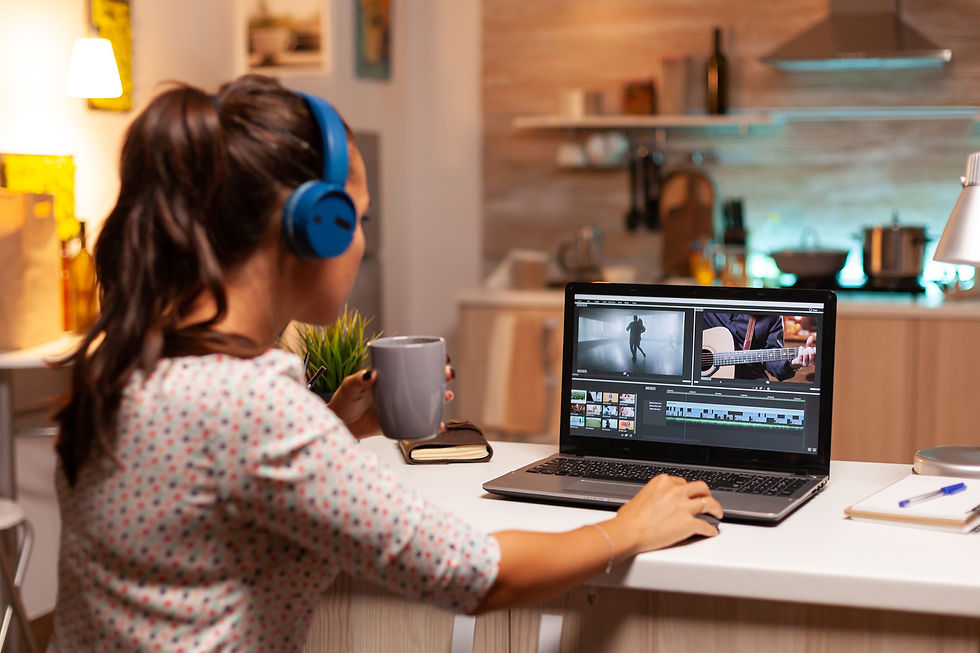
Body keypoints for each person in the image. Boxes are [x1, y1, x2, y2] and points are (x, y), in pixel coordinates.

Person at [50, 75, 721, 651]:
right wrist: (627, 526)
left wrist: (331, 430)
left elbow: (210, 502)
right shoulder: (250, 403)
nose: (362, 242)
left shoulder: (131, 360)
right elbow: (479, 575)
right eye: (358, 218)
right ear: (316, 225)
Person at [701, 312, 815, 381]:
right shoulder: (706, 306)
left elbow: (774, 365)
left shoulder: (771, 315)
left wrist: (792, 364)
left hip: (751, 386)